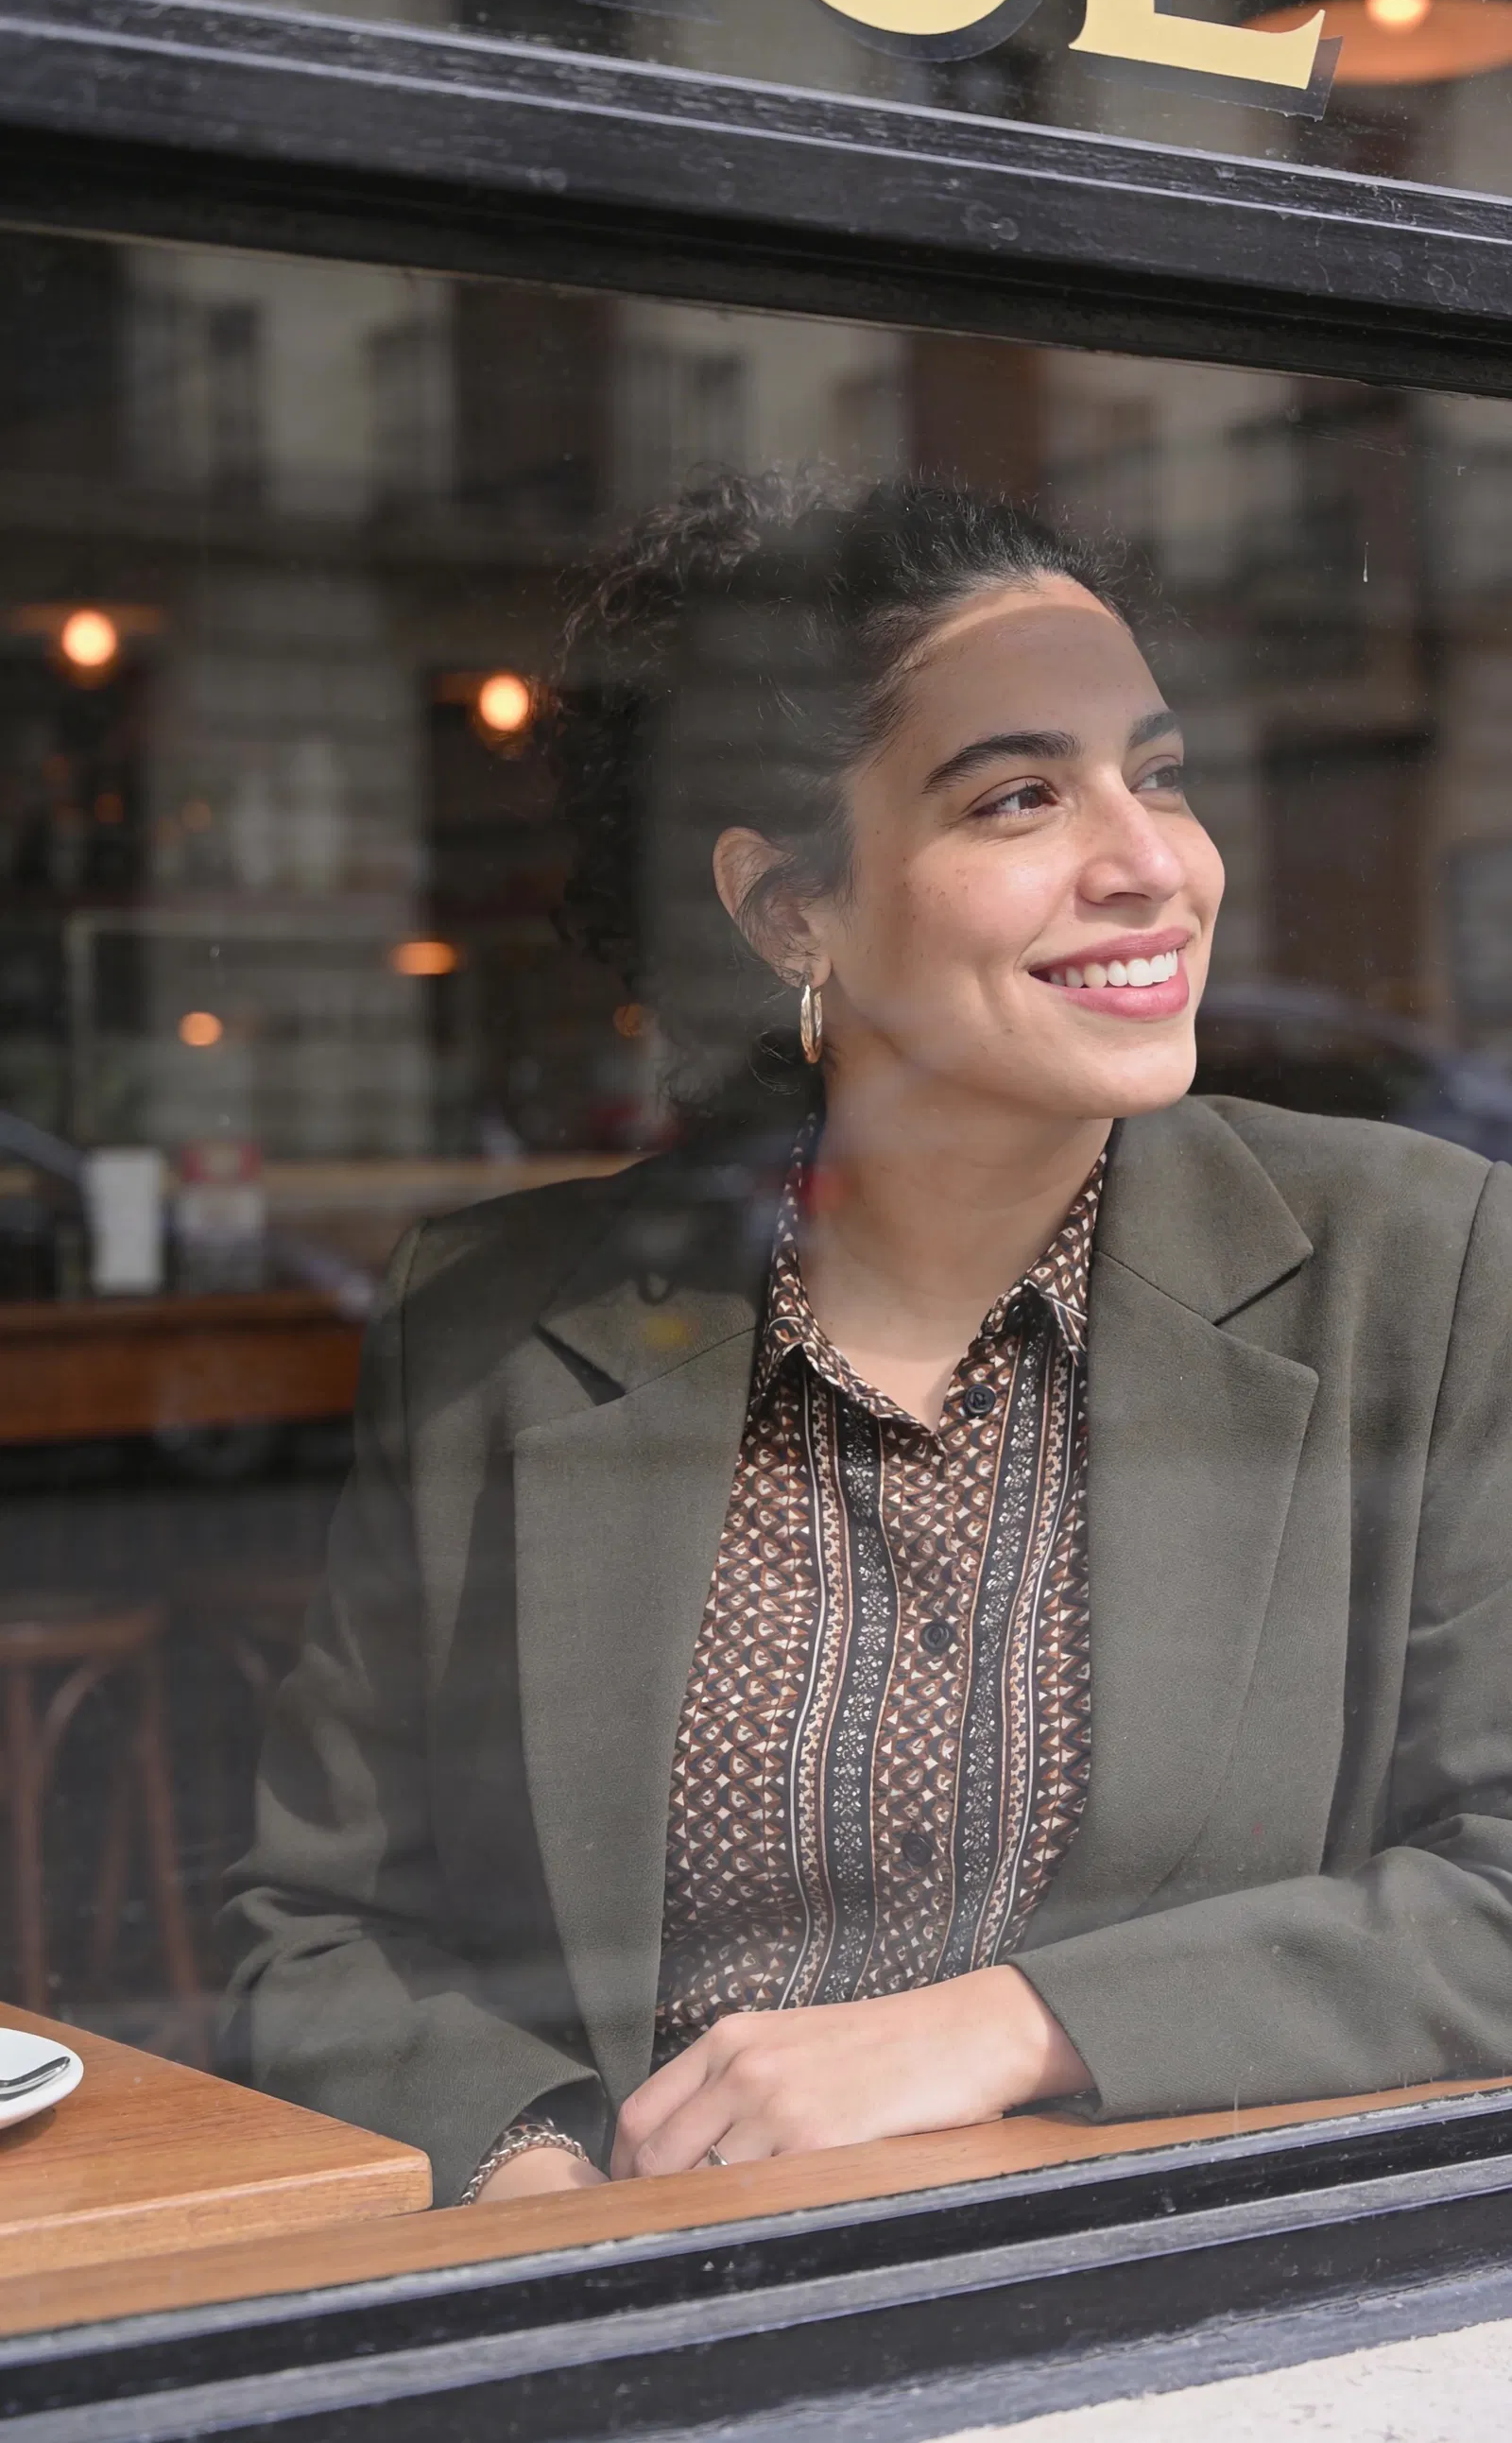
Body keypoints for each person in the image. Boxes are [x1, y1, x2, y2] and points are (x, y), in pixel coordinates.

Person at [220, 476, 1512, 2208]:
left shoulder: (1420, 1266)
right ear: (786, 912)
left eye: (1162, 773)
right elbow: (322, 1929)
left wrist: (1010, 2025)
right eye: (1021, 797)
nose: (1153, 866)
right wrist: (533, 2171)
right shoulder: (497, 1323)